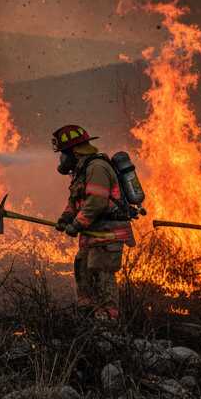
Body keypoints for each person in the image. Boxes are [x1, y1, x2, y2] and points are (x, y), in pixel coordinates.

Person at [52, 124, 135, 318]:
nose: (61, 159)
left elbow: (96, 202)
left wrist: (77, 224)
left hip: (107, 234)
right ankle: (88, 317)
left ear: (74, 151)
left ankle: (107, 322)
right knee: (82, 271)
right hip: (93, 234)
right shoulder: (81, 170)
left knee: (102, 276)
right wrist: (65, 218)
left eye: (63, 153)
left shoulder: (97, 167)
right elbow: (76, 201)